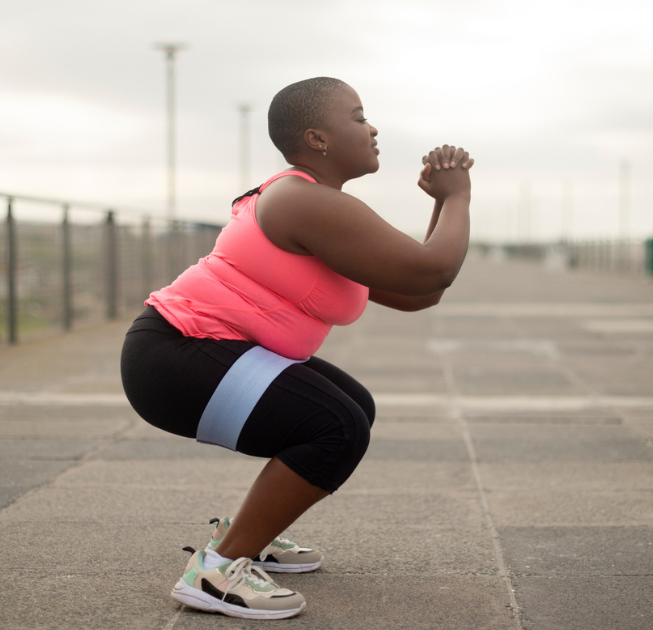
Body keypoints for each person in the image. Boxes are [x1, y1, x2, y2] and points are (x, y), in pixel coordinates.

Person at [119, 77, 473, 620]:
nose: (373, 127)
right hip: (176, 355)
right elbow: (436, 267)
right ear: (317, 138)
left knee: (351, 404)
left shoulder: (320, 206)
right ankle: (217, 572)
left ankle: (245, 537)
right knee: (335, 425)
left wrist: (442, 209)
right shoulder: (301, 199)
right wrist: (457, 197)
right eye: (358, 117)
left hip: (188, 352)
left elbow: (419, 291)